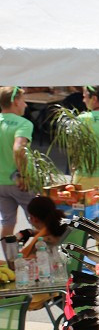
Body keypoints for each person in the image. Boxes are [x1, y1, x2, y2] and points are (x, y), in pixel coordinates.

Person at [0, 86, 34, 237]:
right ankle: (37, 258)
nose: (26, 105)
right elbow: (18, 148)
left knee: (7, 223)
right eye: (23, 101)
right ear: (15, 102)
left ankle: (10, 260)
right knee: (38, 222)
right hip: (19, 183)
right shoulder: (23, 123)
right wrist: (22, 174)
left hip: (1, 184)